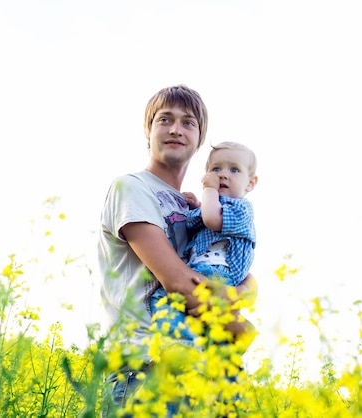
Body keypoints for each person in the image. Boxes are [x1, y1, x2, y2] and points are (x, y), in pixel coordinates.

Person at [97, 85, 257, 416]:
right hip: (147, 368)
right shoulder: (132, 188)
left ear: (200, 139)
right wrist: (241, 326)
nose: (175, 129)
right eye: (164, 119)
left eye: (188, 122)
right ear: (148, 129)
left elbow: (238, 268)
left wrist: (247, 290)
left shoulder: (195, 208)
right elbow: (179, 283)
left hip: (208, 367)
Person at [150, 141, 258, 346]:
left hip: (219, 276)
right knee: (181, 311)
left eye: (234, 170)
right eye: (216, 169)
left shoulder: (243, 209)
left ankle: (187, 348)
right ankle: (188, 348)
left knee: (170, 302)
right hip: (200, 271)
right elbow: (203, 220)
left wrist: (209, 189)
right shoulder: (213, 205)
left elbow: (212, 220)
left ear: (250, 183)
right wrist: (197, 206)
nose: (223, 175)